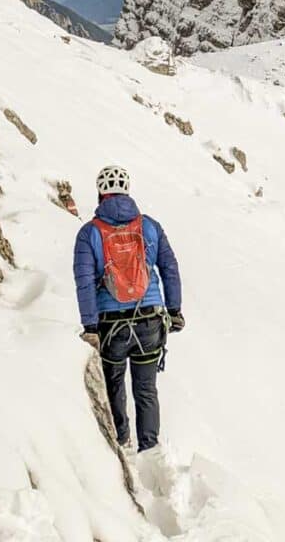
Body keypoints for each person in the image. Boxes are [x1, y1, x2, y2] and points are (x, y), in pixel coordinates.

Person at [73, 165, 183, 452]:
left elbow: (84, 282)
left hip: (111, 326)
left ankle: (120, 443)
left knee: (114, 386)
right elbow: (169, 268)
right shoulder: (149, 227)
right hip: (149, 320)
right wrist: (174, 310)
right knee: (146, 389)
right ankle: (150, 450)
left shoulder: (89, 233)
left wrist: (90, 327)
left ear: (100, 193)